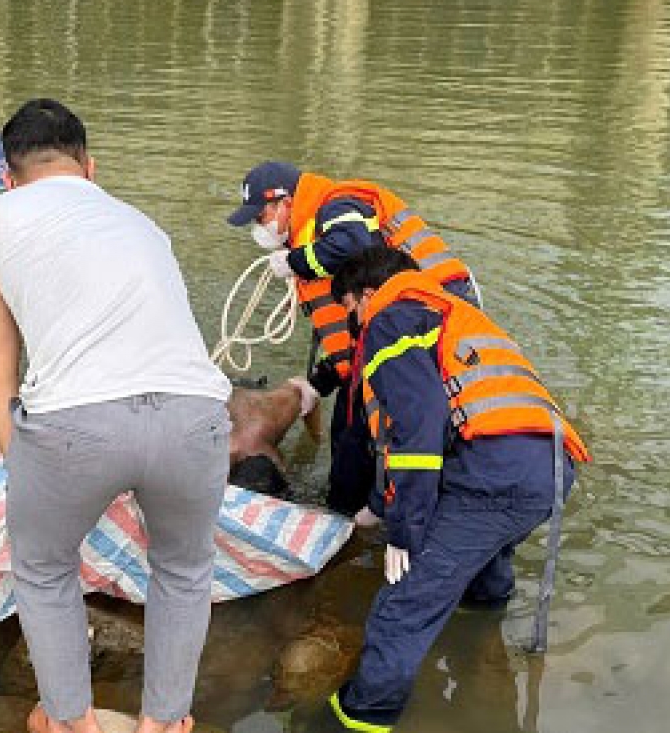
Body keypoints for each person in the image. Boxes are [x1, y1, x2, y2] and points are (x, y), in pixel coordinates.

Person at [0, 99, 232, 733]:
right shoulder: (141, 222)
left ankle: (69, 723)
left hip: (74, 425)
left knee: (45, 566)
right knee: (184, 570)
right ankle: (163, 723)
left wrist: (27, 468)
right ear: (89, 167)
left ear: (9, 176)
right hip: (194, 417)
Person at [321, 246, 591, 733]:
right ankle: (481, 635)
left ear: (365, 295)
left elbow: (420, 432)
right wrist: (382, 504)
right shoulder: (456, 313)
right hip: (549, 468)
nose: (353, 326)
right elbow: (447, 422)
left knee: (402, 607)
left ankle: (359, 717)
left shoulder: (388, 318)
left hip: (495, 476)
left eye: (348, 312)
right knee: (480, 556)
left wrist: (404, 530)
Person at [225, 161, 480, 518]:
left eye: (261, 215)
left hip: (428, 319)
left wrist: (297, 261)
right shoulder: (327, 243)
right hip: (413, 322)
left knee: (376, 425)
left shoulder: (337, 205)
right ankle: (355, 510)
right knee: (353, 423)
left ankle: (362, 514)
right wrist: (320, 382)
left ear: (285, 200)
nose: (259, 226)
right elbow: (354, 331)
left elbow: (353, 245)